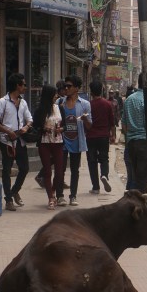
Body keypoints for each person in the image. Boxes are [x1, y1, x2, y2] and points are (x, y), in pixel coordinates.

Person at [0, 73, 34, 211]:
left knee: (25, 168)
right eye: (24, 84)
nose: (25, 87)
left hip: (20, 140)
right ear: (17, 86)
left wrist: (25, 128)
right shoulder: (2, 102)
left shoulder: (23, 102)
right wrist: (9, 132)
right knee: (7, 170)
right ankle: (8, 199)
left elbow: (30, 119)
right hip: (7, 142)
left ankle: (14, 191)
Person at [122, 70, 147, 193]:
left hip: (131, 142)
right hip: (144, 143)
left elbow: (124, 124)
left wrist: (129, 138)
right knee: (142, 180)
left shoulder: (129, 99)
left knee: (135, 177)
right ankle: (141, 207)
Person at [57, 75, 91, 206]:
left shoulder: (84, 104)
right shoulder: (60, 103)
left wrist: (85, 119)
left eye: (69, 86)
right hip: (61, 141)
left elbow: (90, 126)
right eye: (65, 86)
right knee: (60, 169)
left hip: (77, 141)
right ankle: (60, 195)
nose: (66, 88)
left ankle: (73, 195)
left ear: (77, 88)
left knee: (75, 170)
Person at [32, 84, 64, 209]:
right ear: (48, 95)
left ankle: (54, 191)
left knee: (60, 171)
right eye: (54, 94)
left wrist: (60, 129)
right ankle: (50, 197)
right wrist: (43, 128)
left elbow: (65, 125)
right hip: (44, 142)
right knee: (47, 170)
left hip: (58, 142)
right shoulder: (40, 110)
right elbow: (35, 126)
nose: (56, 96)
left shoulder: (60, 108)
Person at [85, 80, 115, 194]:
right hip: (103, 136)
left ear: (91, 92)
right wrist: (113, 135)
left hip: (91, 136)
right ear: (102, 91)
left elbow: (86, 121)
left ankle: (96, 187)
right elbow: (112, 121)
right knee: (104, 159)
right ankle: (104, 175)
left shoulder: (88, 105)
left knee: (91, 161)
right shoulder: (107, 104)